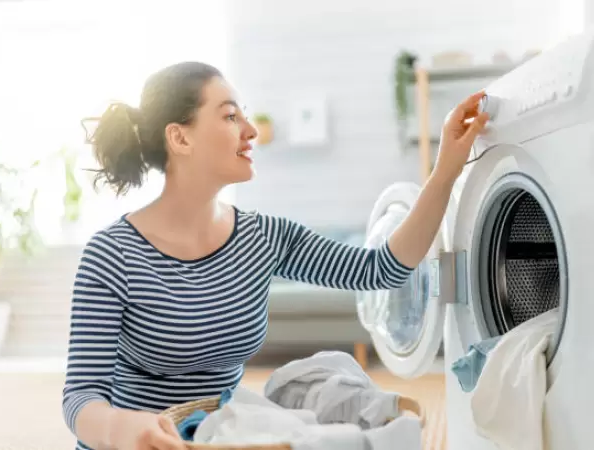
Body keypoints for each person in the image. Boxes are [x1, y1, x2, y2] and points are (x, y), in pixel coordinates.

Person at [62, 61, 488, 450]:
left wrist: (446, 168)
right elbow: (81, 399)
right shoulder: (111, 255)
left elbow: (382, 269)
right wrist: (127, 430)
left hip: (217, 439)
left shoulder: (262, 237)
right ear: (180, 137)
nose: (251, 129)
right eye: (230, 116)